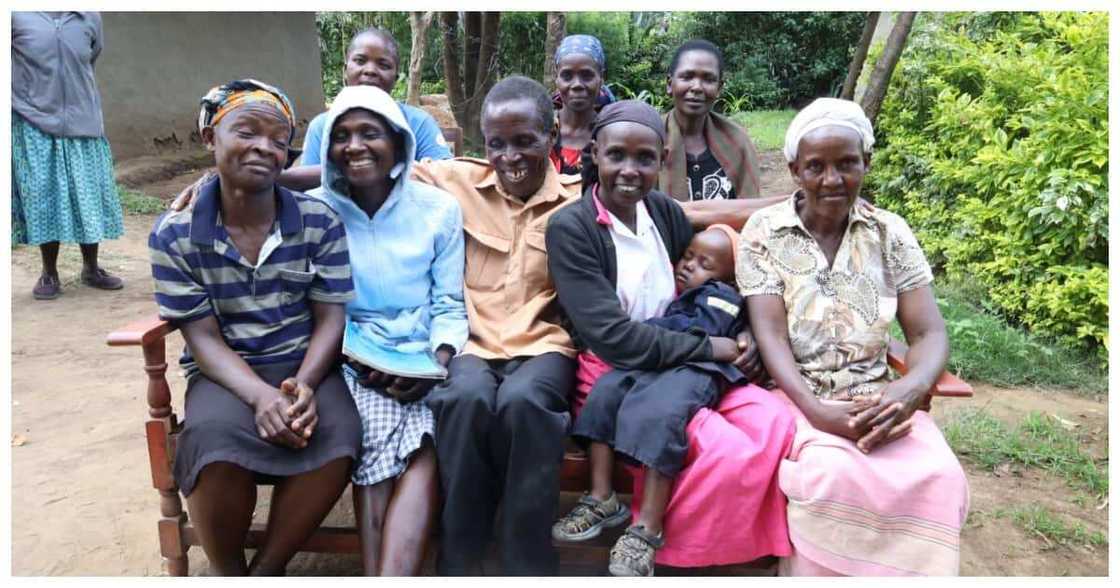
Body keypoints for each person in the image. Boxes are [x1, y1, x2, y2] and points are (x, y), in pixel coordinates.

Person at [546, 100, 795, 576]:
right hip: (616, 370)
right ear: (594, 153)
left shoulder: (659, 211)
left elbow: (714, 281)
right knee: (717, 446)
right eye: (616, 155)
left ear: (662, 159)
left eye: (644, 159)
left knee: (772, 423)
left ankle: (745, 552)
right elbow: (616, 340)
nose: (629, 170)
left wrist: (744, 332)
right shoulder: (571, 229)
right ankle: (658, 538)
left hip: (681, 356)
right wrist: (712, 347)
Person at [741, 98, 969, 576]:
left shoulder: (890, 232)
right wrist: (818, 411)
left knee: (940, 475)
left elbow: (927, 331)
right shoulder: (765, 231)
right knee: (830, 473)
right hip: (794, 394)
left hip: (876, 394)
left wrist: (908, 389)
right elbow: (771, 337)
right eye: (816, 167)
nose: (832, 179)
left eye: (847, 163)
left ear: (866, 162)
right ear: (794, 170)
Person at [147, 79, 362, 576]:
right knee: (213, 443)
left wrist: (304, 385)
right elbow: (201, 337)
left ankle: (268, 570)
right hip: (224, 368)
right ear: (210, 139)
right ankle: (228, 573)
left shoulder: (318, 220)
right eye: (247, 132)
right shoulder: (175, 234)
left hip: (303, 361)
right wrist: (260, 398)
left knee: (337, 434)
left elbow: (331, 316)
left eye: (277, 138)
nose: (264, 147)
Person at [409, 75, 583, 575]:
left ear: (551, 138)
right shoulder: (456, 180)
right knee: (462, 401)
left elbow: (662, 212)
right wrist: (232, 179)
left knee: (525, 405)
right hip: (473, 344)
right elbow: (372, 165)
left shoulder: (578, 199)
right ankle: (461, 558)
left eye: (526, 141)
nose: (510, 156)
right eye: (497, 143)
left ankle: (524, 562)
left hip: (544, 346)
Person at [306, 84, 466, 575]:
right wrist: (358, 358)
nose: (354, 146)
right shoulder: (315, 209)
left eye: (369, 133)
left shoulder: (438, 209)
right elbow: (319, 308)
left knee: (426, 440)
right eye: (342, 135)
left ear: (398, 143)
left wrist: (436, 364)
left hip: (423, 353)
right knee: (375, 433)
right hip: (352, 354)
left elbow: (448, 302)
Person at [552, 223, 756, 576]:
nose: (690, 266)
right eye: (688, 256)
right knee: (605, 391)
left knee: (662, 414)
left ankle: (648, 528)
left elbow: (703, 330)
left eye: (705, 263)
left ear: (728, 277)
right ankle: (602, 497)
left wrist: (647, 331)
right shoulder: (680, 291)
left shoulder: (722, 294)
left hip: (698, 369)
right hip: (665, 360)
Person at [12, 11, 126, 300]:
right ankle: (49, 272)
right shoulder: (16, 15)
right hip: (33, 119)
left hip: (83, 119)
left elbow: (91, 57)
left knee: (87, 195)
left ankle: (91, 268)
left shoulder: (89, 17)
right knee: (44, 195)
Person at [275, 26, 453, 192]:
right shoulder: (321, 125)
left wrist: (362, 169)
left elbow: (446, 175)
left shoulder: (418, 121)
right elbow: (309, 189)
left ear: (396, 78)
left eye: (383, 65)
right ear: (345, 70)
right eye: (360, 61)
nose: (370, 70)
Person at [659, 39, 783, 229]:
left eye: (708, 79)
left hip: (725, 251)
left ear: (719, 88)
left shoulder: (736, 142)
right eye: (687, 77)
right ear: (670, 84)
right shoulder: (651, 139)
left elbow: (750, 213)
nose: (697, 87)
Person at [549, 34, 611, 176]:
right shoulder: (541, 130)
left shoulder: (611, 134)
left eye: (587, 75)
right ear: (556, 78)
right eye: (567, 76)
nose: (577, 85)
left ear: (601, 78)